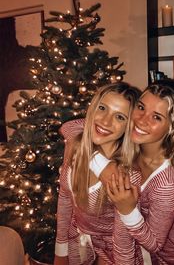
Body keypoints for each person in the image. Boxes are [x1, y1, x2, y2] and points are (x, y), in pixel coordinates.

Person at [106, 79, 174, 264]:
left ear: (172, 127)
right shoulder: (131, 143)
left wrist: (127, 210)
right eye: (141, 107)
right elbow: (71, 128)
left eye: (157, 117)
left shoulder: (168, 180)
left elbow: (154, 244)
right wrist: (102, 165)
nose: (141, 120)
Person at [54, 82, 143, 265]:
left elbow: (124, 242)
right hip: (77, 238)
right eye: (102, 108)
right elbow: (64, 198)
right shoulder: (75, 145)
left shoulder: (127, 176)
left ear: (129, 126)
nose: (105, 121)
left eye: (119, 117)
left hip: (113, 250)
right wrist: (60, 251)